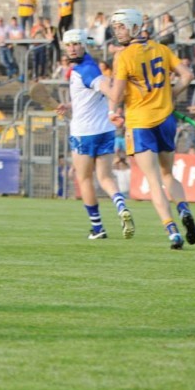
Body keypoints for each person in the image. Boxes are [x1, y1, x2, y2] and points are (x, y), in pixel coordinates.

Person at [106, 8, 195, 250]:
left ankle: (172, 231)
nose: (118, 31)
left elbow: (115, 94)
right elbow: (187, 75)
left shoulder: (123, 56)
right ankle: (184, 209)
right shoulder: (162, 49)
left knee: (154, 180)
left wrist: (109, 104)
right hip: (166, 119)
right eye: (116, 27)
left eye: (122, 26)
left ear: (136, 27)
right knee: (169, 174)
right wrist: (170, 95)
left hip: (140, 123)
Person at [54, 29, 133, 240]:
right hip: (105, 131)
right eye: (68, 45)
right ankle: (120, 204)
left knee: (84, 178)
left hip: (84, 134)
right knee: (105, 177)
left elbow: (106, 89)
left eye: (76, 44)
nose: (72, 48)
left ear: (84, 45)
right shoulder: (88, 65)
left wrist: (114, 91)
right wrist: (70, 104)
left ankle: (97, 228)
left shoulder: (85, 70)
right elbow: (88, 94)